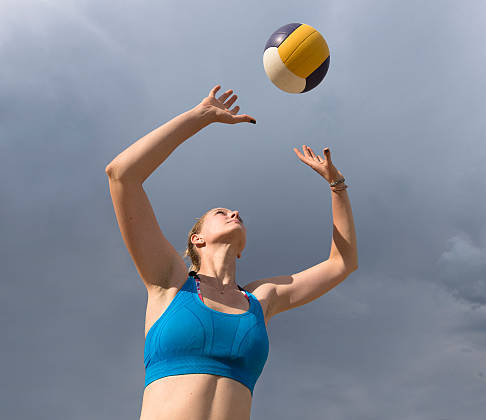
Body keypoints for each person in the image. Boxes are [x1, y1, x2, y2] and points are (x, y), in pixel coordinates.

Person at [105, 84, 358, 420]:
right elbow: (122, 175)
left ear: (242, 250)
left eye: (237, 214)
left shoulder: (261, 300)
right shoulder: (167, 280)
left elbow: (343, 263)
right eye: (221, 213)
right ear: (197, 239)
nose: (234, 214)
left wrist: (336, 185)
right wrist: (199, 117)